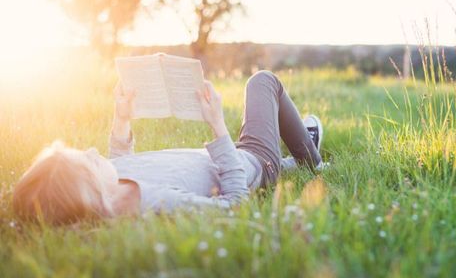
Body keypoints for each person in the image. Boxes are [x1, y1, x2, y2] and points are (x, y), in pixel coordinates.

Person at [12, 70, 324, 225]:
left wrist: (121, 119)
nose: (93, 152)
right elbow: (236, 206)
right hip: (252, 163)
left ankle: (293, 157)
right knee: (263, 81)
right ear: (92, 193)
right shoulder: (154, 203)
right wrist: (217, 124)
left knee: (269, 128)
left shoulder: (111, 188)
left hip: (223, 158)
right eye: (89, 162)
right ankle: (311, 159)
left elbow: (119, 165)